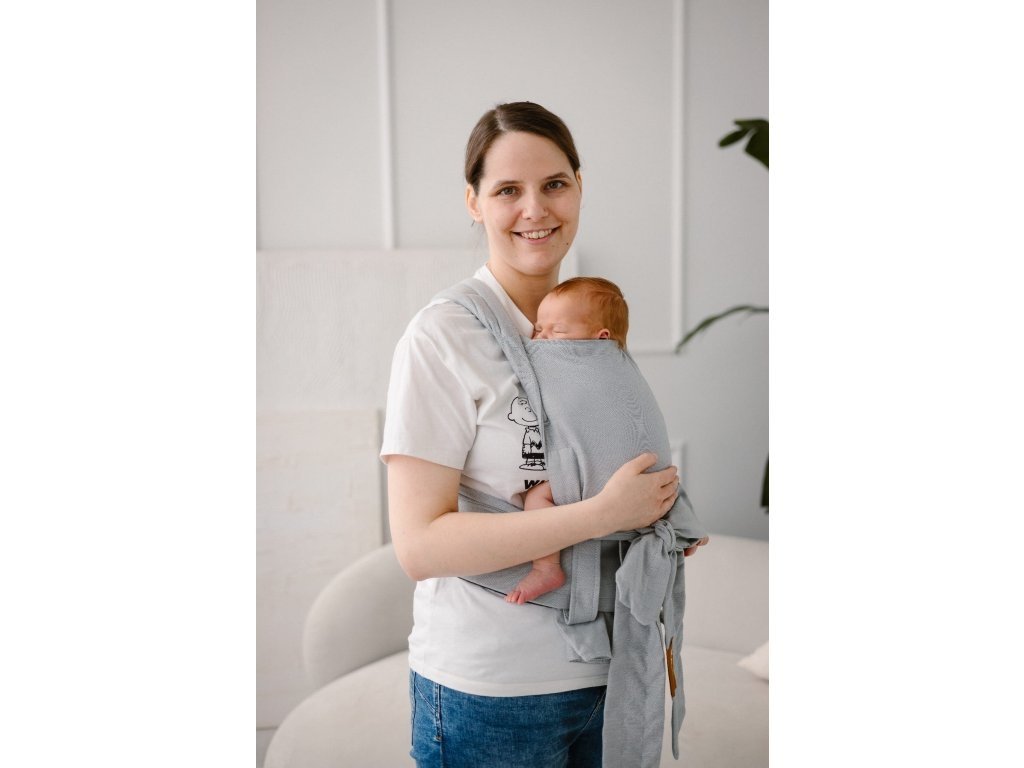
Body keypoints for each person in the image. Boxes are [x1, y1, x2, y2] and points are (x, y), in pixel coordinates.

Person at [381, 102, 708, 768]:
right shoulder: (443, 337)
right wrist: (603, 515)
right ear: (474, 203)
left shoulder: (593, 329)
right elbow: (418, 547)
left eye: (554, 184)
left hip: (612, 676)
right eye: (508, 190)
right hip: (491, 691)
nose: (535, 209)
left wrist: (660, 519)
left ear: (579, 188)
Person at [505, 276, 630, 606]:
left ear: (600, 338)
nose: (541, 338)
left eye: (556, 331)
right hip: (627, 472)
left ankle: (546, 567)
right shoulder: (624, 372)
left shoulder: (579, 369)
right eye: (538, 329)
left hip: (598, 473)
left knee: (537, 498)